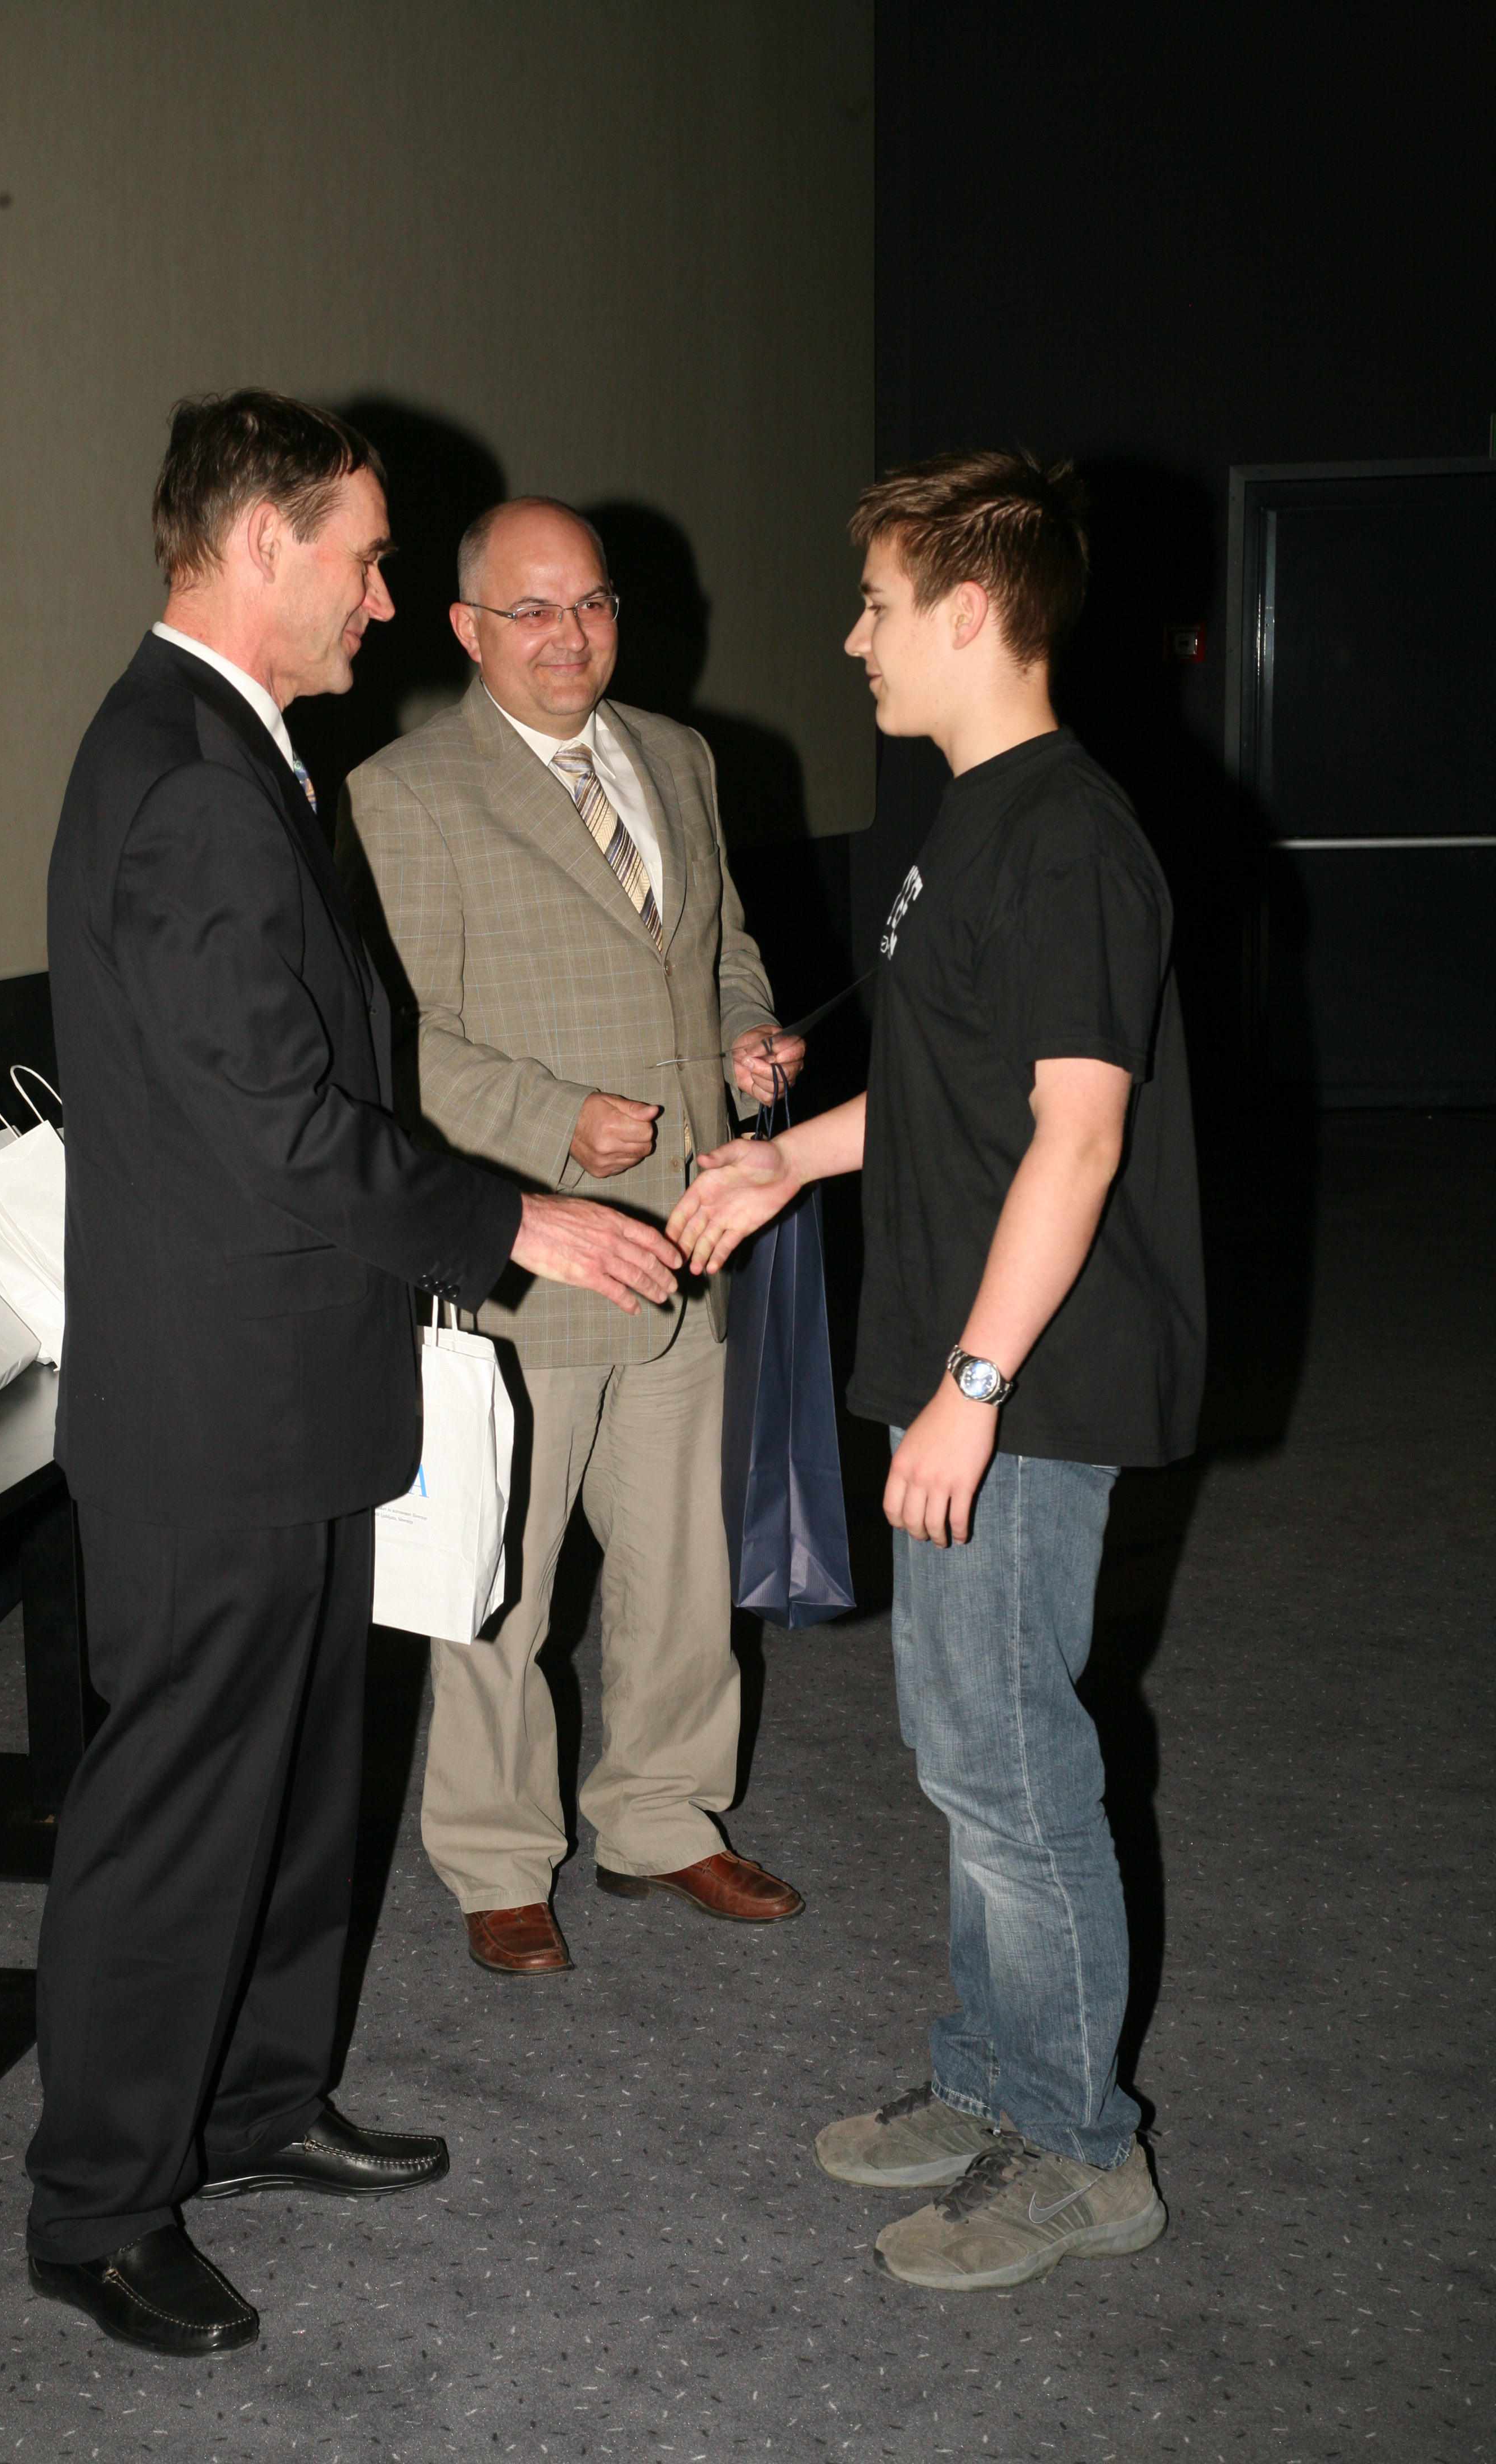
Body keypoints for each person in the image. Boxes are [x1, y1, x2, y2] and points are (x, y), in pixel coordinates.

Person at [32, 396, 681, 2357]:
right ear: (262, 548)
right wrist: (512, 1218)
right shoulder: (188, 776)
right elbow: (278, 1126)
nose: (386, 600)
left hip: (290, 1385)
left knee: (306, 1779)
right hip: (213, 1413)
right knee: (178, 1817)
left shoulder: (232, 749)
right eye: (368, 558)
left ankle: (253, 2107)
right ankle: (99, 2205)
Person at [669, 449, 1206, 2291]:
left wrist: (975, 1389)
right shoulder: (971, 819)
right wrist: (790, 1164)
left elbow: (1078, 1136)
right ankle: (995, 2075)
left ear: (972, 613)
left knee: (1015, 1766)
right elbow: (957, 1094)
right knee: (965, 1750)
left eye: (880, 606)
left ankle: (1082, 2150)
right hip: (966, 1357)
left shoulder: (1068, 837)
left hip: (1030, 1375)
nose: (855, 639)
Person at [336, 497, 805, 1976]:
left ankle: (662, 1817)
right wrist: (552, 1120)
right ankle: (495, 1856)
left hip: (690, 1238)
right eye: (530, 610)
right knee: (505, 1576)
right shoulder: (404, 793)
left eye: (592, 603)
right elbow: (393, 1039)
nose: (569, 635)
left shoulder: (679, 757)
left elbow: (724, 948)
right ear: (466, 629)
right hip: (527, 1248)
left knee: (682, 1568)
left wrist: (747, 1039)